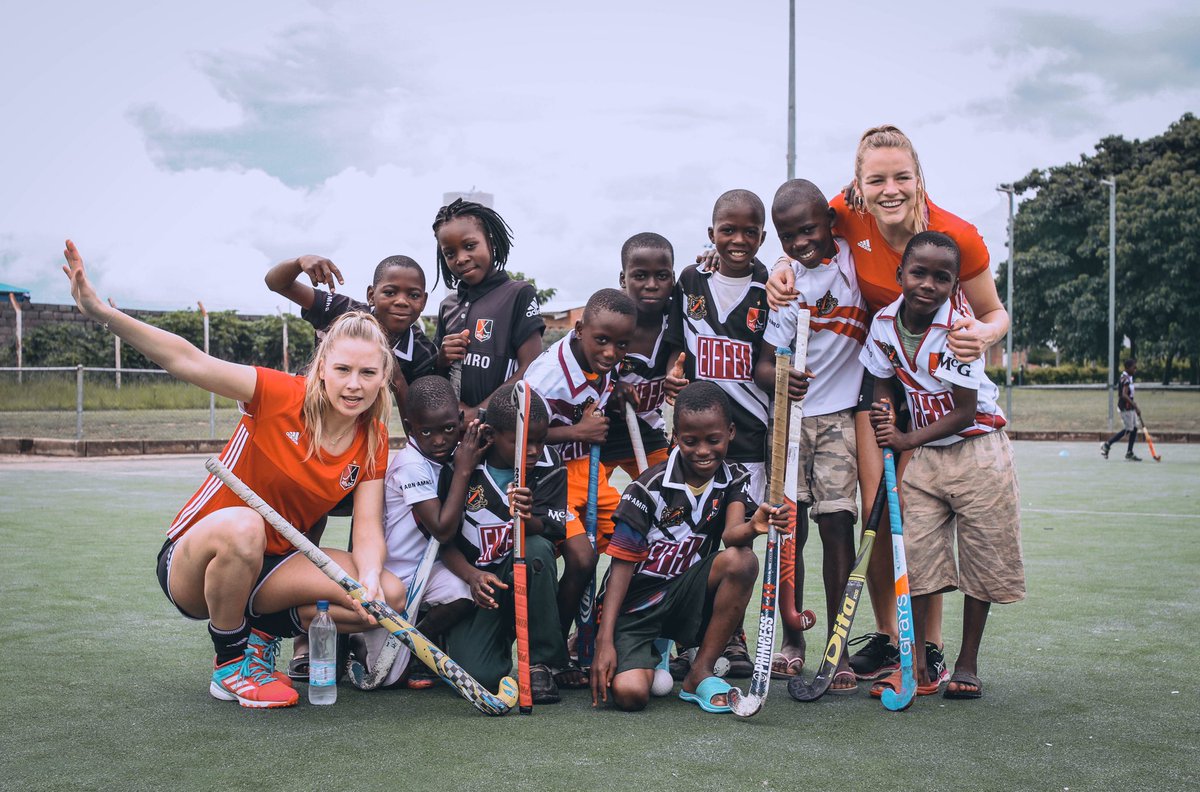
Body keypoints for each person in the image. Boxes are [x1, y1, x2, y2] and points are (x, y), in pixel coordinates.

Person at [61, 240, 406, 709]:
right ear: (321, 367)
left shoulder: (374, 438)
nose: (353, 384)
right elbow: (187, 359)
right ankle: (230, 663)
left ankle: (264, 632)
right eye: (342, 369)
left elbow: (367, 528)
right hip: (198, 562)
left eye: (368, 373)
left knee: (389, 595)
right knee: (245, 525)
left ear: (383, 376)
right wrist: (101, 312)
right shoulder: (276, 394)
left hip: (276, 566)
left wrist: (365, 579)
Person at [764, 126, 1011, 683]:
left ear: (919, 177)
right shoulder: (844, 213)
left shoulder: (958, 235)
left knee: (919, 518)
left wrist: (986, 336)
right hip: (877, 382)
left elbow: (995, 312)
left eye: (902, 177)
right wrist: (777, 273)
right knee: (879, 511)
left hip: (942, 390)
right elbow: (796, 237)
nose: (890, 189)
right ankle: (890, 635)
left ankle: (931, 646)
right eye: (876, 180)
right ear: (858, 186)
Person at [861, 231, 1024, 700]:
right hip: (929, 455)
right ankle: (915, 665)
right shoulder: (884, 325)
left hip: (978, 449)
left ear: (955, 286)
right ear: (900, 275)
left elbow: (964, 411)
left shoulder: (961, 329)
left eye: (941, 277)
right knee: (914, 554)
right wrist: (883, 411)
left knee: (982, 557)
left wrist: (905, 437)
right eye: (919, 273)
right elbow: (880, 380)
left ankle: (966, 663)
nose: (928, 284)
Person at [590, 382, 790, 713]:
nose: (702, 451)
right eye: (690, 441)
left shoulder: (733, 479)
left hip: (685, 599)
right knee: (630, 695)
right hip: (636, 607)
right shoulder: (646, 489)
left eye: (713, 440)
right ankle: (650, 650)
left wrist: (755, 526)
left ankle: (700, 673)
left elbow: (731, 536)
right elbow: (621, 567)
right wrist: (604, 640)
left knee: (742, 561)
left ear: (730, 432)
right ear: (675, 435)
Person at [756, 179, 866, 691]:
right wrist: (782, 377)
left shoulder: (854, 265)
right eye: (787, 237)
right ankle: (793, 640)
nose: (800, 243)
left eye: (807, 230)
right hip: (791, 417)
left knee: (838, 526)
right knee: (788, 529)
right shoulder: (786, 285)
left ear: (828, 221)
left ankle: (837, 649)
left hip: (841, 418)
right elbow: (764, 363)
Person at [666, 189, 773, 679]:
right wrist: (671, 372)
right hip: (695, 440)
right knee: (691, 536)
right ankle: (686, 635)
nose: (737, 239)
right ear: (711, 234)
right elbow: (674, 345)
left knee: (739, 540)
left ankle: (731, 633)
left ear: (762, 237)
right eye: (727, 230)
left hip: (748, 439)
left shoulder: (769, 288)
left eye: (749, 231)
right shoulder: (691, 280)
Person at [523, 288, 637, 686]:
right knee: (582, 558)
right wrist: (577, 431)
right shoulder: (547, 375)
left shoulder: (606, 362)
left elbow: (608, 373)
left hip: (586, 473)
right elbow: (519, 434)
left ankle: (584, 636)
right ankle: (549, 651)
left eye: (621, 345)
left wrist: (618, 387)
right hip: (549, 477)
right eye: (602, 341)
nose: (610, 353)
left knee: (633, 535)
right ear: (579, 330)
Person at [439, 383, 571, 702]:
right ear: (492, 434)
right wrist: (471, 576)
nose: (534, 451)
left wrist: (527, 519)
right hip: (477, 583)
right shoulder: (463, 466)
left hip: (520, 575)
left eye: (540, 440)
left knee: (538, 548)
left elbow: (552, 530)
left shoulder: (548, 465)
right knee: (478, 677)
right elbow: (444, 542)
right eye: (523, 442)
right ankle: (477, 641)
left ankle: (541, 663)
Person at [351, 375, 478, 689]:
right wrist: (463, 469)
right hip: (391, 577)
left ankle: (420, 646)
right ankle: (354, 640)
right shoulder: (410, 463)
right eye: (427, 432)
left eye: (449, 429)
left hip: (430, 569)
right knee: (387, 679)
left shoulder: (457, 449)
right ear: (410, 428)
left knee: (463, 594)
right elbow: (442, 528)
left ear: (461, 421)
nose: (439, 440)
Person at [264, 253, 437, 418]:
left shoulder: (422, 352)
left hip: (352, 431)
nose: (401, 301)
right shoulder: (343, 310)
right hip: (301, 410)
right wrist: (299, 263)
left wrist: (397, 379)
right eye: (390, 293)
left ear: (424, 301)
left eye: (413, 295)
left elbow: (418, 424)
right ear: (371, 295)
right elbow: (276, 283)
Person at [432, 198, 545, 412]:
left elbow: (531, 367)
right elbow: (437, 377)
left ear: (491, 242)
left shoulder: (518, 294)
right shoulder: (448, 306)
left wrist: (480, 413)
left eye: (469, 246)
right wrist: (441, 359)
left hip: (503, 431)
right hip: (455, 433)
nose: (461, 258)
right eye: (450, 253)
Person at [602, 232, 679, 479]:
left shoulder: (678, 319)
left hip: (647, 431)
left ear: (673, 279)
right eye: (640, 275)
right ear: (623, 279)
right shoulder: (606, 319)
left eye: (662, 276)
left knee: (668, 493)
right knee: (584, 503)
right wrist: (609, 388)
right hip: (599, 433)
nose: (652, 284)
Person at [1101, 359, 1142, 461]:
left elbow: (1129, 394)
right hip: (1125, 408)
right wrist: (1135, 406)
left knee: (1134, 428)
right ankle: (1107, 444)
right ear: (1127, 368)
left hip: (1130, 407)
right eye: (1134, 367)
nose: (1135, 369)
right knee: (1129, 429)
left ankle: (1129, 452)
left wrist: (1134, 405)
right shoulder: (1125, 379)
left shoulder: (1129, 377)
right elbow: (1123, 395)